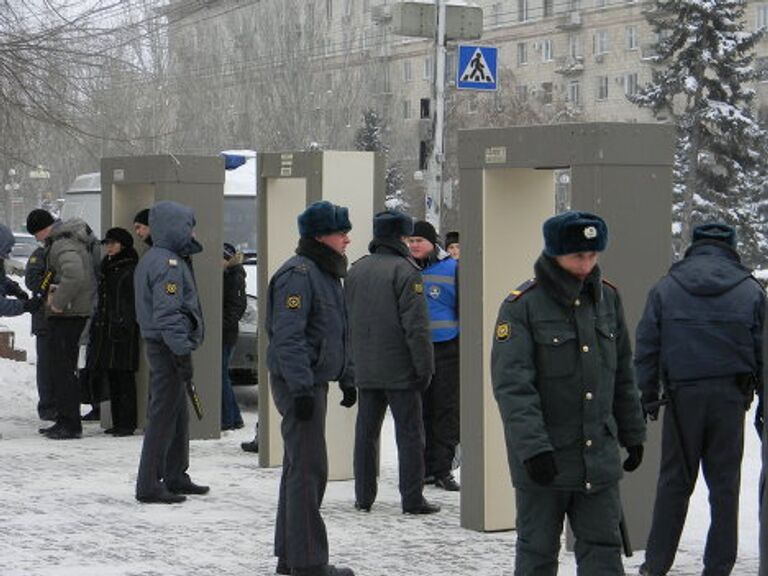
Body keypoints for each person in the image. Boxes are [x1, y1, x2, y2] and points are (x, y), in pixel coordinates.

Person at [491, 211, 646, 575]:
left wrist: (633, 432)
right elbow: (513, 386)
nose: (586, 264)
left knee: (603, 551)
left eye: (593, 255)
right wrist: (534, 448)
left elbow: (623, 371)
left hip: (598, 456)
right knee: (538, 553)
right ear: (555, 253)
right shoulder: (522, 306)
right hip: (545, 460)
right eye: (578, 256)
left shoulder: (608, 298)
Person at [635, 223, 765, 576]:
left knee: (673, 483)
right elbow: (763, 351)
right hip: (730, 396)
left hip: (681, 397)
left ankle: (657, 564)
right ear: (732, 247)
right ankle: (718, 567)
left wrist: (647, 397)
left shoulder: (666, 287)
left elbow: (647, 347)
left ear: (693, 246)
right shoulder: (750, 291)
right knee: (724, 487)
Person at [266, 200, 356, 576]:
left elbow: (335, 331)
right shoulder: (300, 275)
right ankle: (309, 562)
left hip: (311, 381)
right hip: (299, 383)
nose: (348, 240)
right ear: (321, 236)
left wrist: (347, 375)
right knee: (309, 470)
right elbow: (288, 338)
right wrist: (302, 389)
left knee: (299, 468)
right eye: (341, 233)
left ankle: (292, 557)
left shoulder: (324, 273)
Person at [346, 210, 439, 515]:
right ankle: (412, 498)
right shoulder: (406, 272)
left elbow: (346, 323)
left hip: (366, 367)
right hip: (401, 370)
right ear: (400, 236)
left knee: (365, 434)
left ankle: (363, 496)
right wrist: (425, 367)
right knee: (410, 434)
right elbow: (416, 327)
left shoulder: (356, 270)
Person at [134, 201, 208, 504]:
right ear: (175, 227)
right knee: (163, 415)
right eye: (189, 225)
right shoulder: (168, 264)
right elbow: (168, 314)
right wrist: (180, 351)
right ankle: (149, 483)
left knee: (177, 413)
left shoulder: (159, 258)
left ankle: (176, 474)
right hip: (167, 347)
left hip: (165, 344)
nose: (193, 231)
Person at [27, 209, 96, 440]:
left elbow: (74, 274)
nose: (37, 240)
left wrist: (57, 302)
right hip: (71, 313)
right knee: (63, 370)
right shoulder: (64, 241)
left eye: (35, 234)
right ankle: (65, 420)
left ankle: (70, 424)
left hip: (69, 314)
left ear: (42, 229)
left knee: (64, 371)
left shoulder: (61, 245)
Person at [408, 221, 460, 491]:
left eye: (419, 240)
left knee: (445, 410)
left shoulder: (452, 267)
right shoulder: (406, 267)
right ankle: (424, 468)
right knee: (421, 411)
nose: (414, 245)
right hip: (415, 350)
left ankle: (442, 469)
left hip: (446, 348)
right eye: (411, 240)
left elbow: (463, 306)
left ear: (432, 242)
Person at [86, 227, 140, 436]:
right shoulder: (109, 266)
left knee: (123, 376)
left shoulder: (129, 268)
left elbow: (130, 300)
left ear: (123, 245)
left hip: (122, 329)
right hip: (107, 327)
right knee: (113, 375)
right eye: (107, 243)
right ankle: (119, 421)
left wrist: (124, 321)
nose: (109, 247)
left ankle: (126, 423)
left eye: (113, 243)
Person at [25, 244, 55, 421]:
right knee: (46, 365)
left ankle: (56, 404)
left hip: (60, 318)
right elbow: (33, 282)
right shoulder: (41, 254)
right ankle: (48, 406)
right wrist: (51, 279)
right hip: (44, 318)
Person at [221, 242, 246, 431]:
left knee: (222, 376)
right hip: (226, 333)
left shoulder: (234, 277)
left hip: (226, 335)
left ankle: (228, 419)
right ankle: (234, 418)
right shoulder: (229, 275)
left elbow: (236, 308)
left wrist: (218, 327)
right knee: (222, 376)